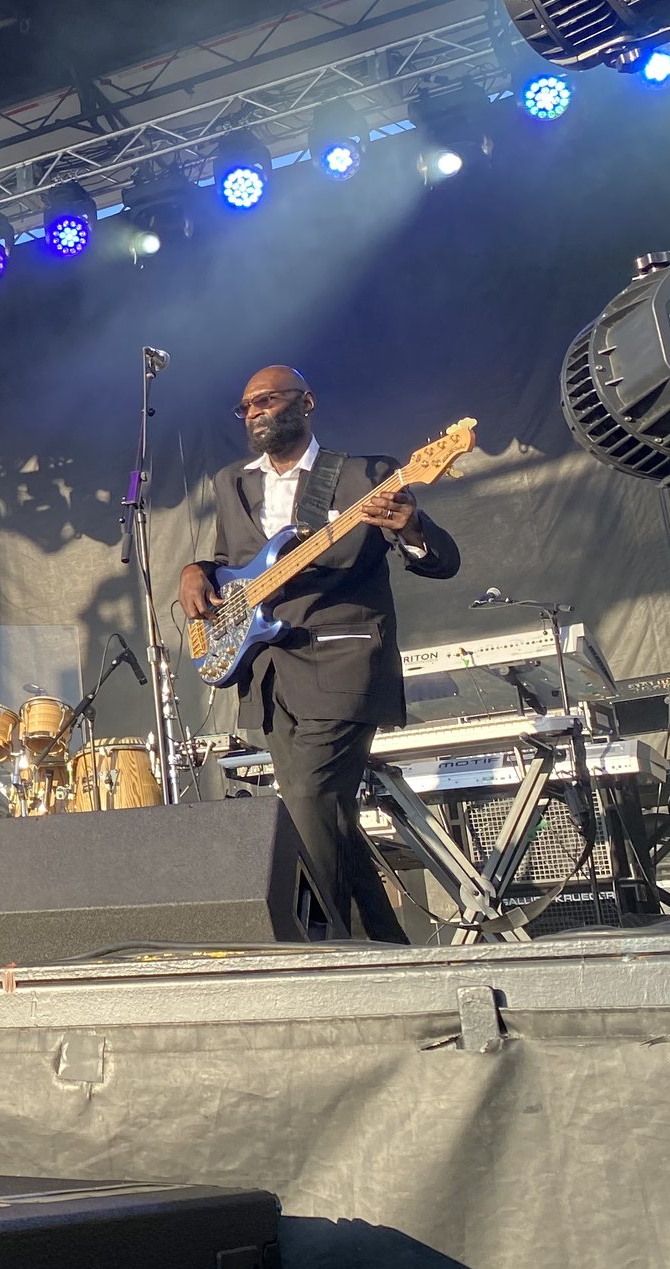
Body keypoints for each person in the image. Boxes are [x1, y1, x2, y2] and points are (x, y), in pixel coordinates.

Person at [178, 365, 462, 944]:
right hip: (267, 675)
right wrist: (195, 571)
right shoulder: (231, 481)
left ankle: (320, 956)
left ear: (305, 402)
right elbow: (233, 561)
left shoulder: (367, 475)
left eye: (268, 400)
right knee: (326, 817)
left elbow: (442, 561)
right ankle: (384, 949)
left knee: (307, 805)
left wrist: (413, 526)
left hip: (341, 664)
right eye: (247, 407)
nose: (256, 411)